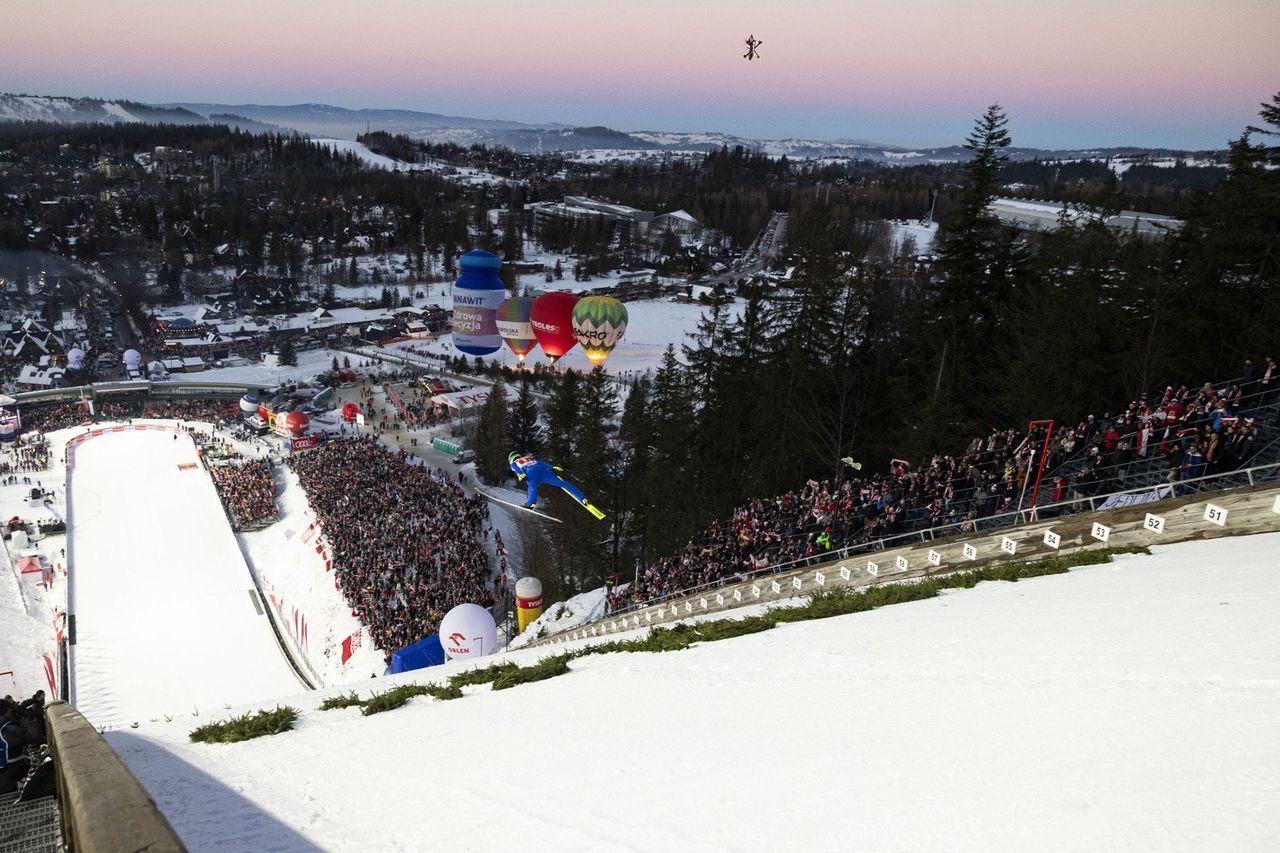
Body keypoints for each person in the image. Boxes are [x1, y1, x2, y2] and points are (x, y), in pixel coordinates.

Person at [508, 452, 605, 519]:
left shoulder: (514, 462)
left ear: (511, 458)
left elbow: (515, 467)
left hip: (532, 473)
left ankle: (531, 504)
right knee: (564, 484)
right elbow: (542, 463)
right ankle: (583, 499)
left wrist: (520, 474)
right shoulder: (529, 457)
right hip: (544, 472)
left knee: (532, 487)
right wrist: (553, 467)